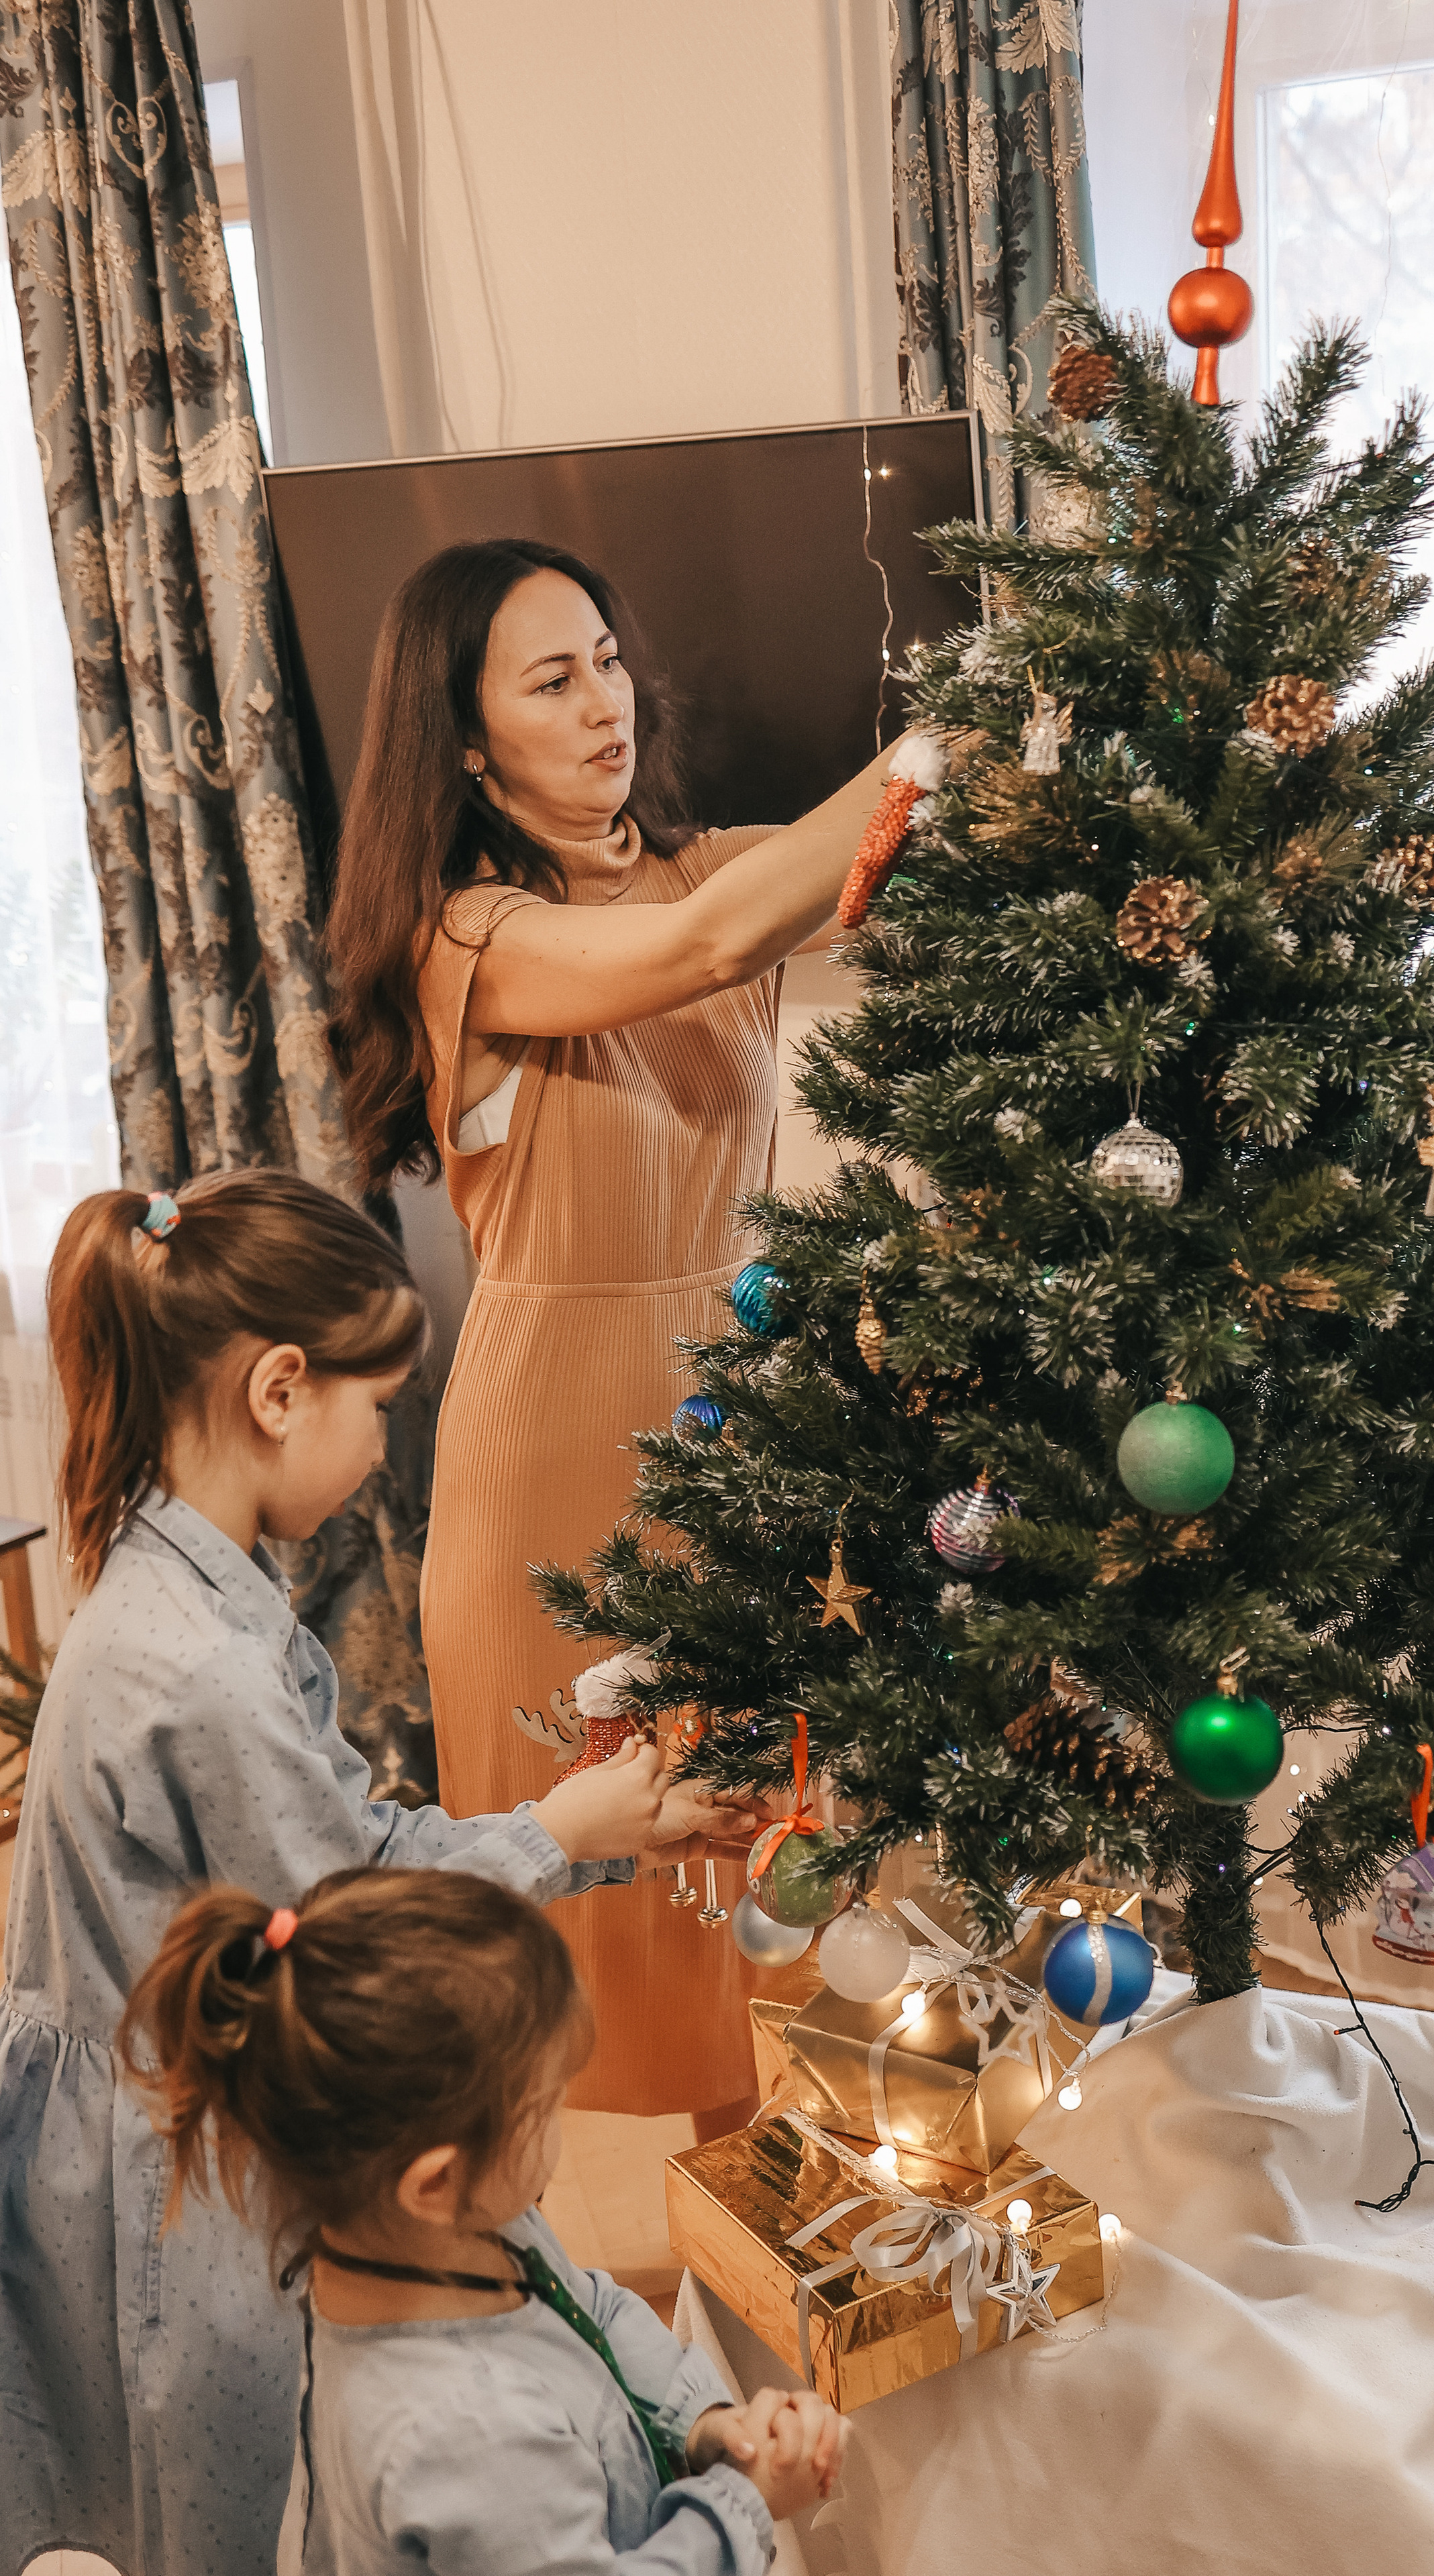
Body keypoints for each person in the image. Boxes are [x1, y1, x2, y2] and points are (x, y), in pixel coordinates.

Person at [0, 1169, 754, 2576]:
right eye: (381, 1407)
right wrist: (564, 1831)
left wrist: (586, 1832)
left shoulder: (176, 1580)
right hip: (180, 2166)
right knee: (224, 2508)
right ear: (281, 1390)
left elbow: (333, 1854)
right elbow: (358, 1913)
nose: (381, 1446)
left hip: (146, 2120)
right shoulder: (201, 1667)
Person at [326, 539, 890, 2133]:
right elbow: (699, 952)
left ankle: (749, 2232)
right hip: (548, 1450)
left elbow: (829, 876)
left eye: (609, 661)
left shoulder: (707, 868)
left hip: (726, 1428)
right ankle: (529, 2253)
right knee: (573, 1903)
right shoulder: (465, 934)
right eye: (551, 680)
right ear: (465, 741)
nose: (604, 704)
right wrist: (918, 754)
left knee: (757, 1856)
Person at [118, 1865, 848, 2575]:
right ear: (435, 2181)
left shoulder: (441, 2232)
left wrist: (705, 2426)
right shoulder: (466, 2436)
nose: (559, 2129)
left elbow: (589, 2311)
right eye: (545, 2106)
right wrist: (744, 2504)